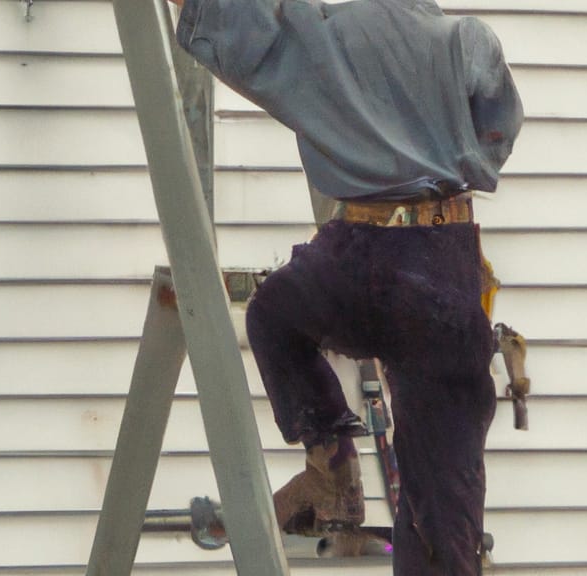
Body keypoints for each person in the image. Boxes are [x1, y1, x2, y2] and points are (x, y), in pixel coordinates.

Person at [167, 0, 522, 573]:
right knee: (441, 509)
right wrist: (450, 156)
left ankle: (331, 467)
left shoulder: (324, 34)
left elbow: (232, 26)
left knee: (274, 315)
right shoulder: (466, 39)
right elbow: (498, 130)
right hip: (444, 265)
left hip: (357, 255)